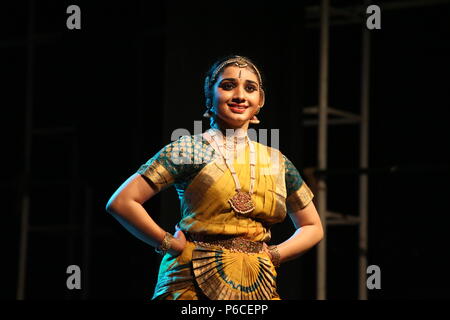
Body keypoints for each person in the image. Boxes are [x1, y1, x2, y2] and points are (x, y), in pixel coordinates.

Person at [105, 55, 323, 300]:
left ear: (260, 100)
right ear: (210, 96)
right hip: (190, 280)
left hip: (256, 282)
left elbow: (312, 226)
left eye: (250, 88)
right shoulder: (190, 149)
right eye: (228, 86)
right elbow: (122, 202)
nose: (240, 95)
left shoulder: (276, 161)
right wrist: (167, 242)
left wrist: (274, 255)